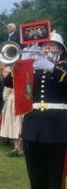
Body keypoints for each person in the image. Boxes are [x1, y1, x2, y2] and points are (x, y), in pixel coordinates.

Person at [19, 32, 67, 189]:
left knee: (55, 175)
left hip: (57, 127)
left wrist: (52, 68)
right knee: (35, 174)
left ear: (60, 49)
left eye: (51, 45)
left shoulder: (63, 66)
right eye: (43, 45)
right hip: (33, 126)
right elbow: (8, 82)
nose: (46, 48)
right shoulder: (34, 67)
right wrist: (22, 63)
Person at [0, 66, 23, 157]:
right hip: (24, 102)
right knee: (20, 125)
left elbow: (5, 95)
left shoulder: (10, 79)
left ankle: (17, 147)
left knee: (14, 125)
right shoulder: (25, 76)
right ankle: (20, 147)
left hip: (13, 103)